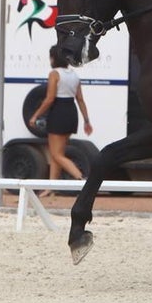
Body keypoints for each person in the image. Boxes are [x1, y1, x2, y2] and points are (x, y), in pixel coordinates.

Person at [28, 45, 93, 196]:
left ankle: (81, 180)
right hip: (71, 113)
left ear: (54, 58)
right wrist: (86, 120)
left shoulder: (54, 74)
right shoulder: (74, 75)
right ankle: (51, 187)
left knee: (56, 155)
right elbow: (80, 100)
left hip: (58, 112)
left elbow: (49, 99)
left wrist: (35, 115)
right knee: (58, 153)